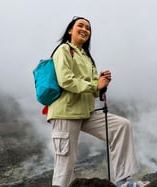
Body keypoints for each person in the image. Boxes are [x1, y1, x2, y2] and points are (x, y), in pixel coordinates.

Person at [46, 16, 149, 187]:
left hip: (85, 112)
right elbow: (66, 80)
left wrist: (101, 84)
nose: (85, 29)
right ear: (70, 30)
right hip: (65, 113)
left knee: (121, 126)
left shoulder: (87, 57)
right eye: (80, 25)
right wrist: (94, 86)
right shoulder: (64, 50)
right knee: (66, 161)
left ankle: (124, 181)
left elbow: (93, 90)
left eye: (88, 28)